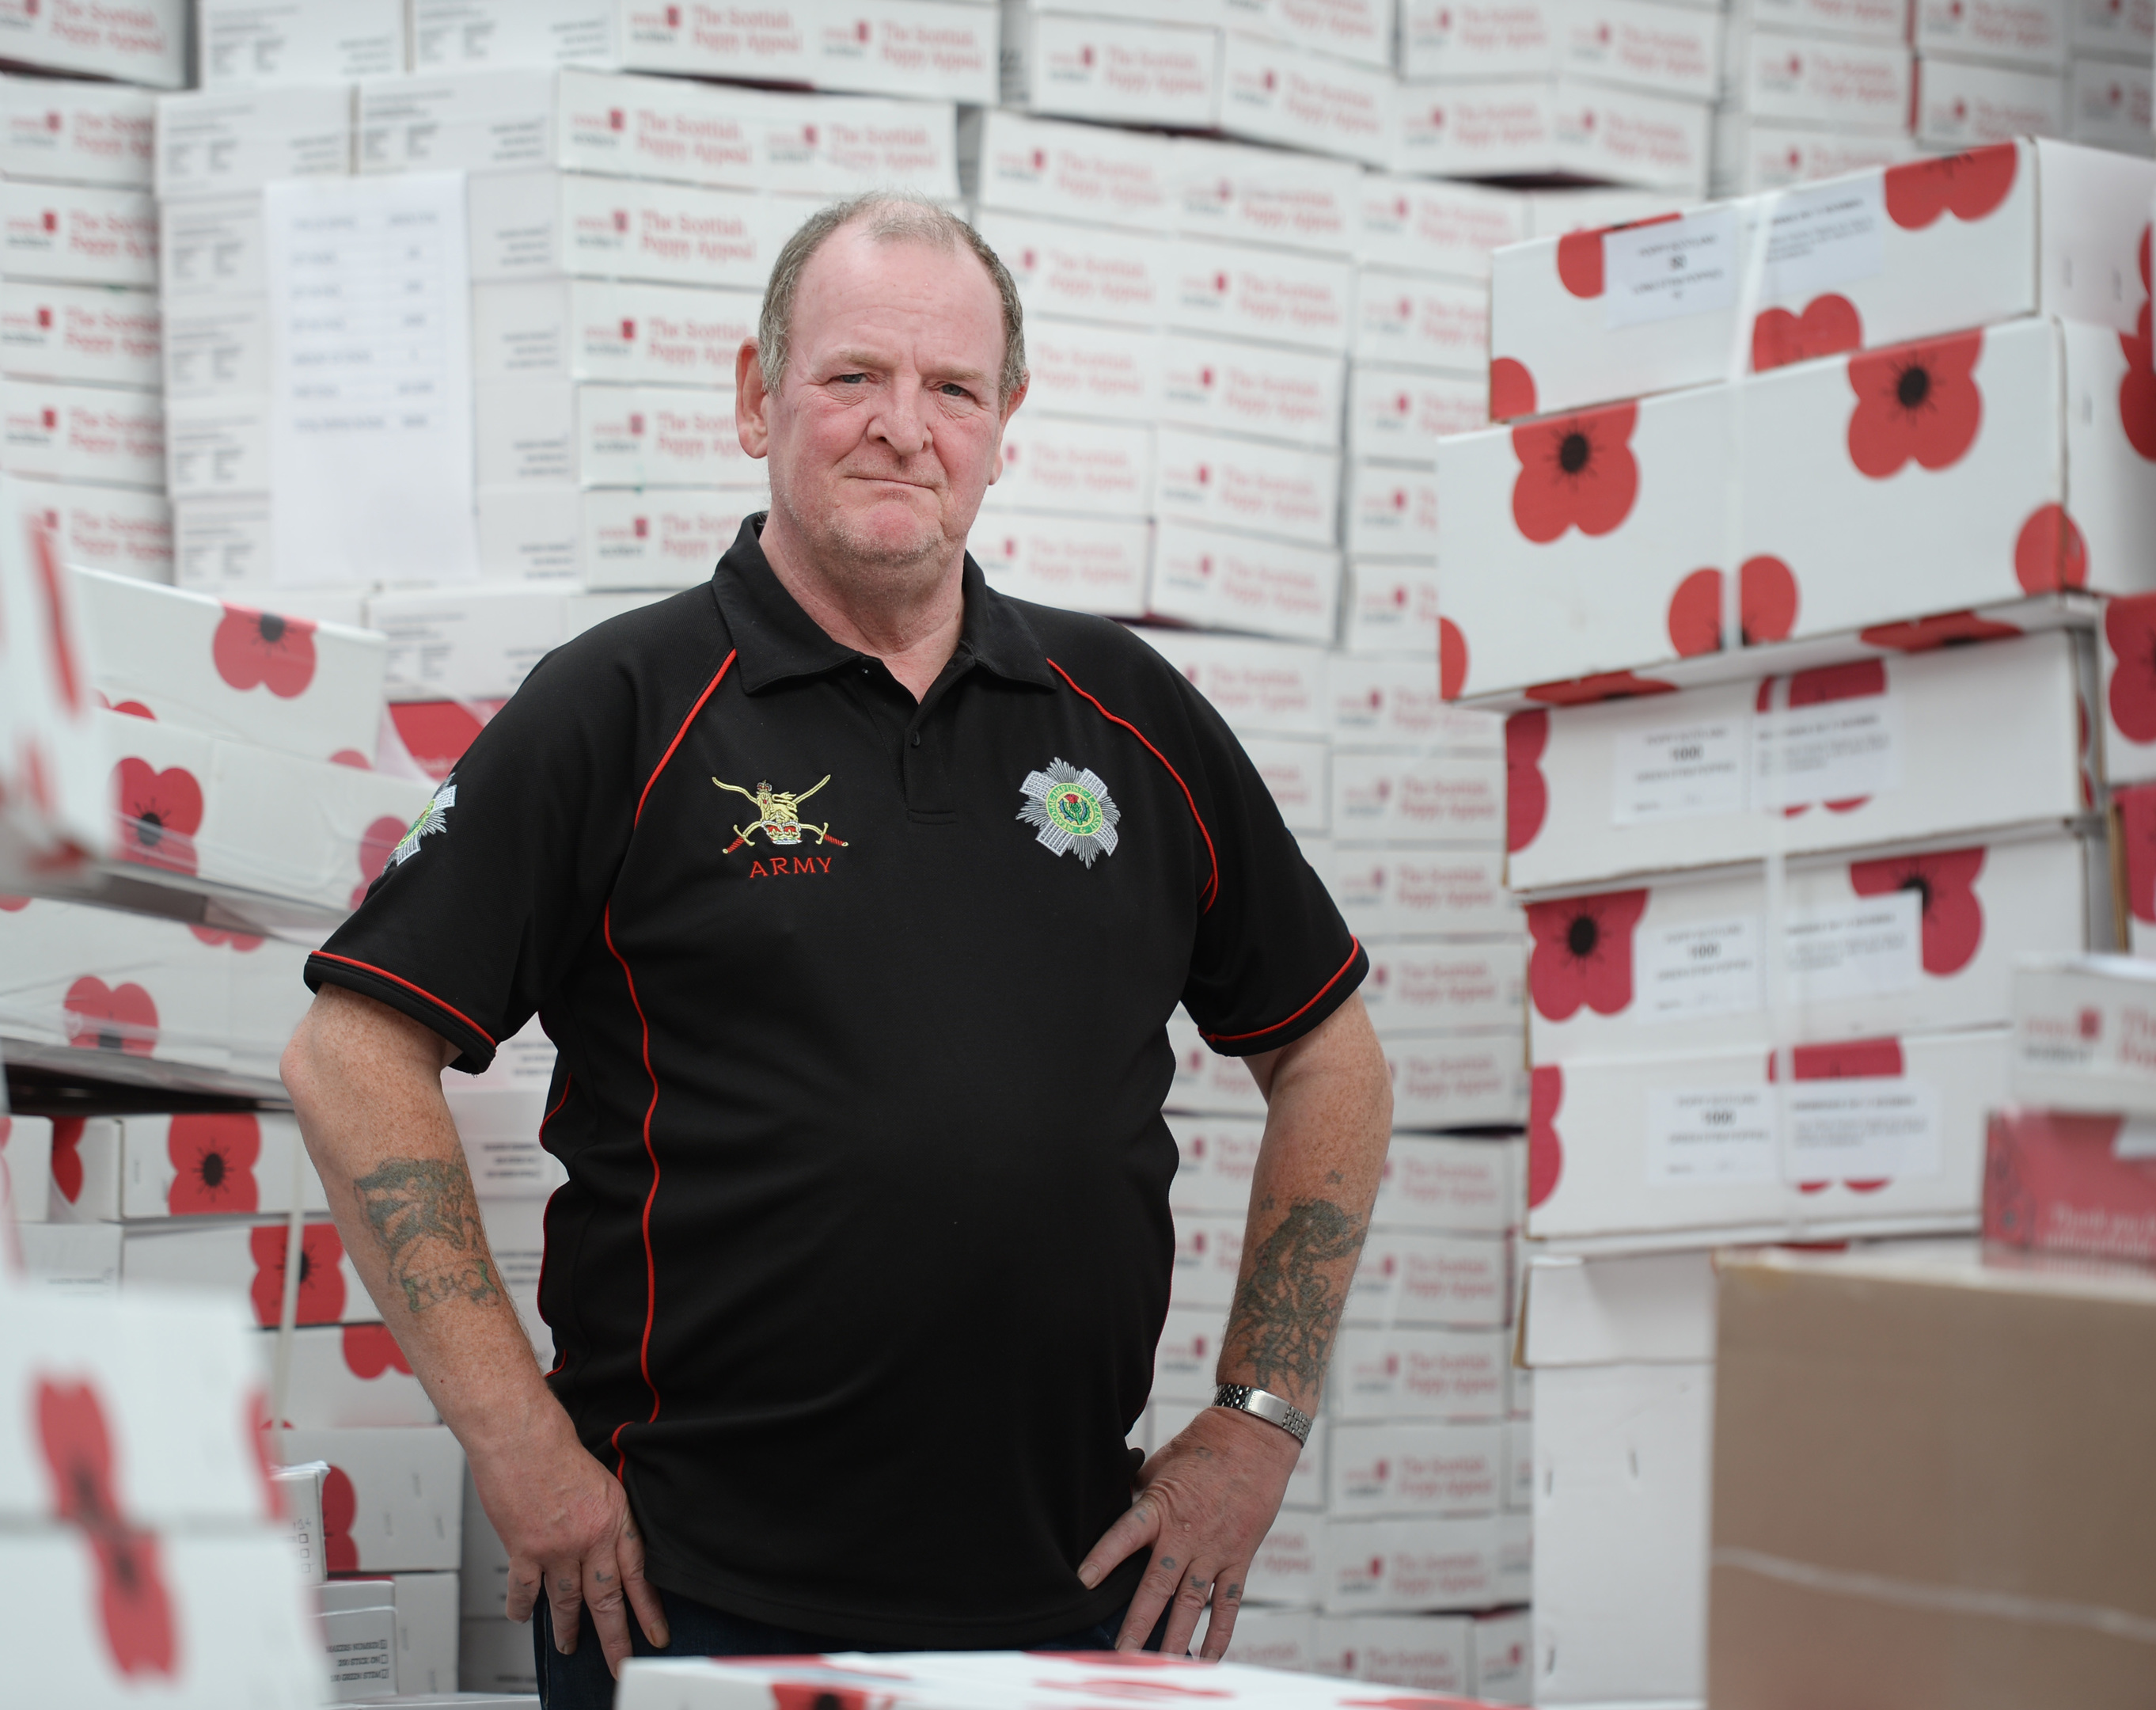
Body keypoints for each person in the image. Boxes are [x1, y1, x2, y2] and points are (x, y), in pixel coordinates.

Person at [280, 193, 1394, 1710]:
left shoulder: (1128, 712)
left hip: (1069, 1591)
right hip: (691, 1601)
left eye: (951, 389)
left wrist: (1257, 1418)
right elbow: (353, 1049)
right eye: (851, 376)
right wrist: (516, 1442)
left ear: (1005, 422)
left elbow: (1324, 1046)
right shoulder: (620, 702)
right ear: (755, 398)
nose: (901, 428)